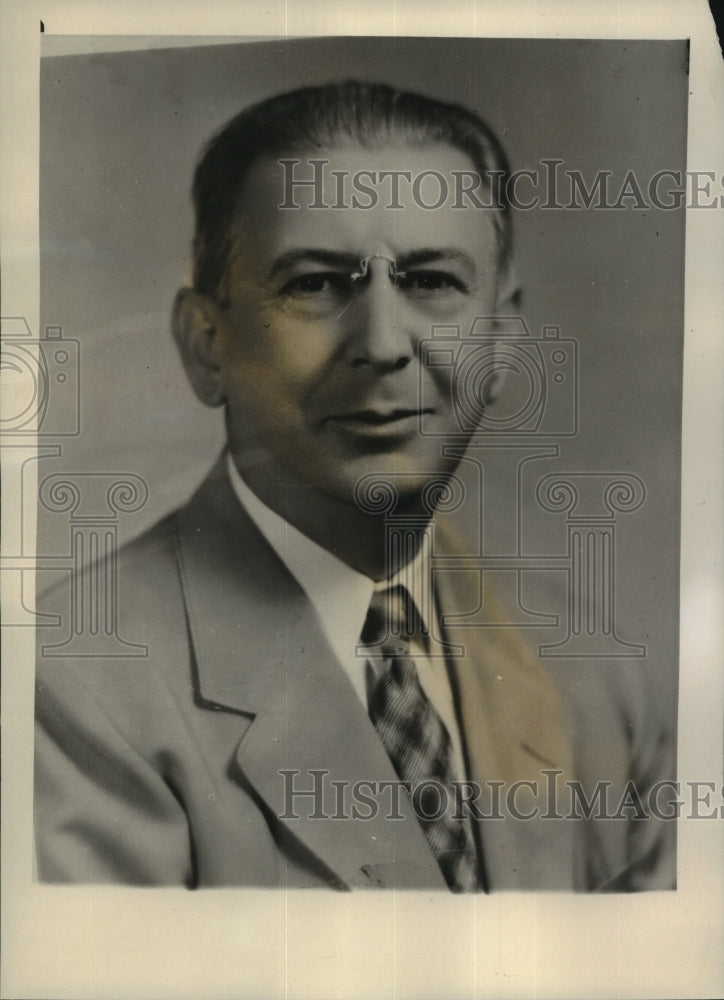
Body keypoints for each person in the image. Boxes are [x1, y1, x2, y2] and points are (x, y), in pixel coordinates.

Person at [34, 81, 675, 890]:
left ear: (503, 342)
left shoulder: (594, 672)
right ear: (206, 345)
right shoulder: (65, 687)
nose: (381, 343)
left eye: (432, 281)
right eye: (315, 283)